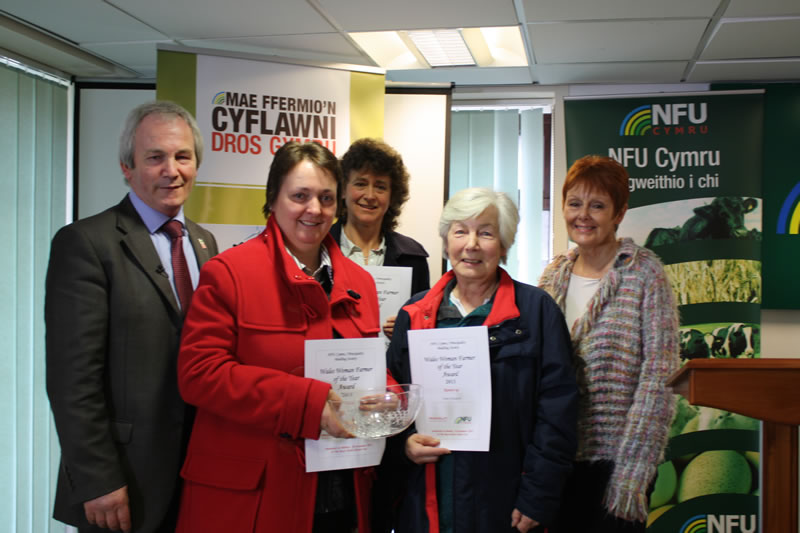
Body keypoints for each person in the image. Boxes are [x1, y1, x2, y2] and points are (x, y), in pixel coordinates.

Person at [174, 141, 383, 533]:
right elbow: (199, 374)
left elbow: (363, 365)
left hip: (342, 490)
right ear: (273, 200)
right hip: (255, 498)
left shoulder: (361, 284)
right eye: (299, 196)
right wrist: (306, 403)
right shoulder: (230, 272)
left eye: (326, 198)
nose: (314, 210)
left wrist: (385, 394)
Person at [45, 101, 219, 532]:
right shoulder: (86, 243)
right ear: (127, 166)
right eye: (154, 157)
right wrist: (98, 479)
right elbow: (73, 380)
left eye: (182, 157)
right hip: (123, 482)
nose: (171, 170)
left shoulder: (205, 243)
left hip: (197, 474)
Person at [384, 187, 579, 533]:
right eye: (460, 231)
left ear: (503, 245)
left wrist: (539, 494)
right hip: (430, 501)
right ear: (446, 242)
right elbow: (394, 401)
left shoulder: (536, 312)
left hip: (506, 503)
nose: (471, 244)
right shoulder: (413, 314)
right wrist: (403, 445)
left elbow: (557, 413)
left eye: (486, 232)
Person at [538, 155, 680, 532]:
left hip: (617, 464)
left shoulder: (644, 273)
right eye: (574, 203)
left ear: (619, 212)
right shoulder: (552, 277)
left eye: (597, 205)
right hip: (554, 459)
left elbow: (660, 378)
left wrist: (633, 471)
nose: (583, 215)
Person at [331, 138, 430, 337]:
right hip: (333, 365)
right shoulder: (317, 250)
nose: (370, 195)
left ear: (392, 196)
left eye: (380, 187)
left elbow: (423, 329)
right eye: (360, 183)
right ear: (342, 190)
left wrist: (408, 328)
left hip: (392, 366)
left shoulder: (413, 258)